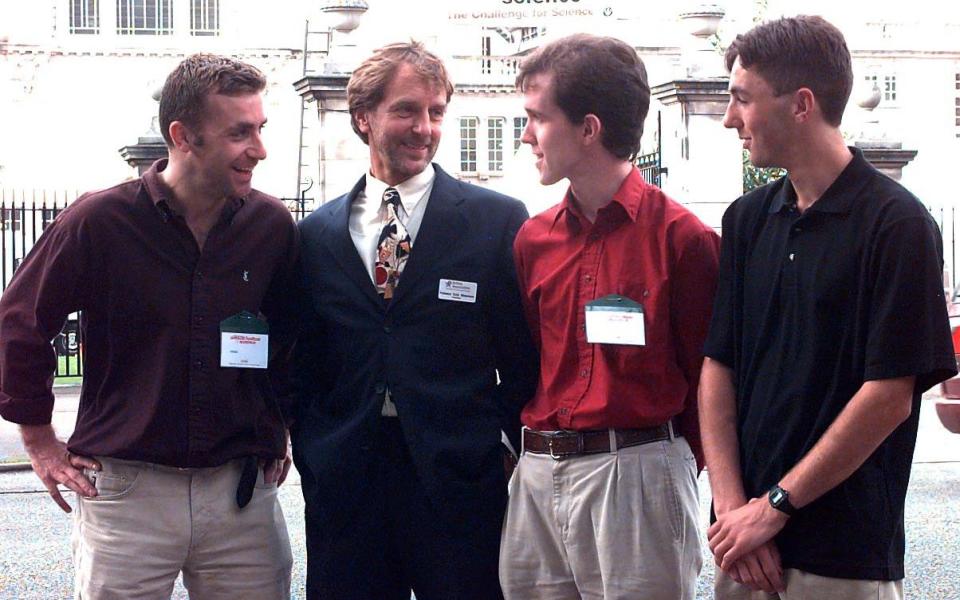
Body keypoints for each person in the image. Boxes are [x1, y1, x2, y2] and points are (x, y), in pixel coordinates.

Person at [0, 54, 298, 598]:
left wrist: (279, 427)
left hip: (241, 497)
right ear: (182, 136)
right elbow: (19, 323)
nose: (259, 149)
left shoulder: (271, 225)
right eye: (239, 133)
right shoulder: (99, 221)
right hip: (127, 495)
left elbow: (289, 340)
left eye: (259, 129)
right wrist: (39, 441)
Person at [700, 15, 957, 599]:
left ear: (801, 104)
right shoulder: (746, 219)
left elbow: (888, 396)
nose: (728, 118)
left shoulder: (898, 224)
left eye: (742, 98)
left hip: (844, 554)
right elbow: (719, 368)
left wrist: (775, 506)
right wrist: (734, 508)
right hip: (744, 548)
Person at [291, 41, 538, 600]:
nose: (423, 127)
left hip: (459, 479)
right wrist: (311, 445)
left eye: (435, 112)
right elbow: (301, 357)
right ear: (364, 117)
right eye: (406, 110)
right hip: (346, 479)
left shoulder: (494, 221)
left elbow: (523, 355)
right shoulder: (316, 235)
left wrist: (498, 443)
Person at [501, 33, 719, 600]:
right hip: (539, 473)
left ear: (589, 128)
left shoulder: (682, 238)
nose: (526, 134)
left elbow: (709, 380)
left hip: (638, 472)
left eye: (537, 118)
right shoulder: (533, 239)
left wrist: (670, 471)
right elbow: (530, 359)